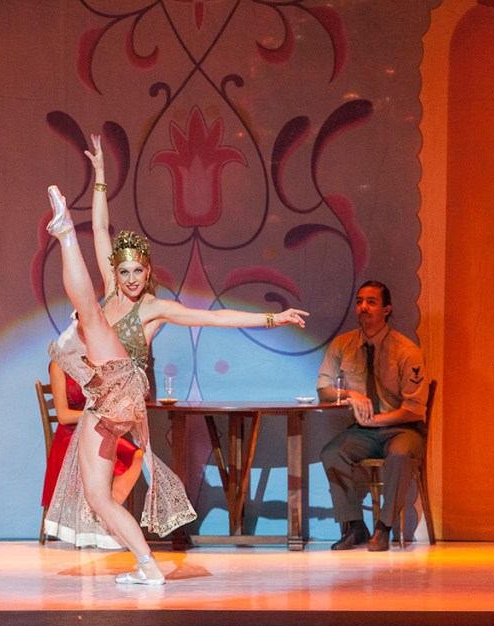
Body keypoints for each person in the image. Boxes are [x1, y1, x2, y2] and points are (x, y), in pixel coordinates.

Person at [43, 133, 310, 584]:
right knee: (97, 497)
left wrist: (273, 318)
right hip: (101, 400)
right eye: (123, 271)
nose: (130, 278)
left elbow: (215, 317)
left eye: (137, 271)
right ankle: (148, 566)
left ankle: (64, 233)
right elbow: (103, 230)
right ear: (117, 272)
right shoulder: (111, 292)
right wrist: (101, 176)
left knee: (88, 315)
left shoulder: (153, 308)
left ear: (148, 271)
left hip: (125, 387)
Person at [316, 281, 429, 552]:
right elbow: (323, 389)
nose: (363, 307)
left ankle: (384, 527)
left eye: (371, 302)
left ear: (386, 310)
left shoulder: (406, 351)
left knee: (400, 455)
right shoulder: (344, 344)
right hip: (364, 432)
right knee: (332, 453)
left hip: (403, 429)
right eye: (359, 302)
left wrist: (376, 420)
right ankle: (355, 526)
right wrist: (350, 395)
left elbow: (414, 409)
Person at [43, 360, 143, 511]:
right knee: (101, 454)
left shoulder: (97, 361)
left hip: (97, 431)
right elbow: (63, 416)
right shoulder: (59, 365)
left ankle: (107, 515)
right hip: (71, 435)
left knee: (135, 455)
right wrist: (99, 416)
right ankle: (105, 515)